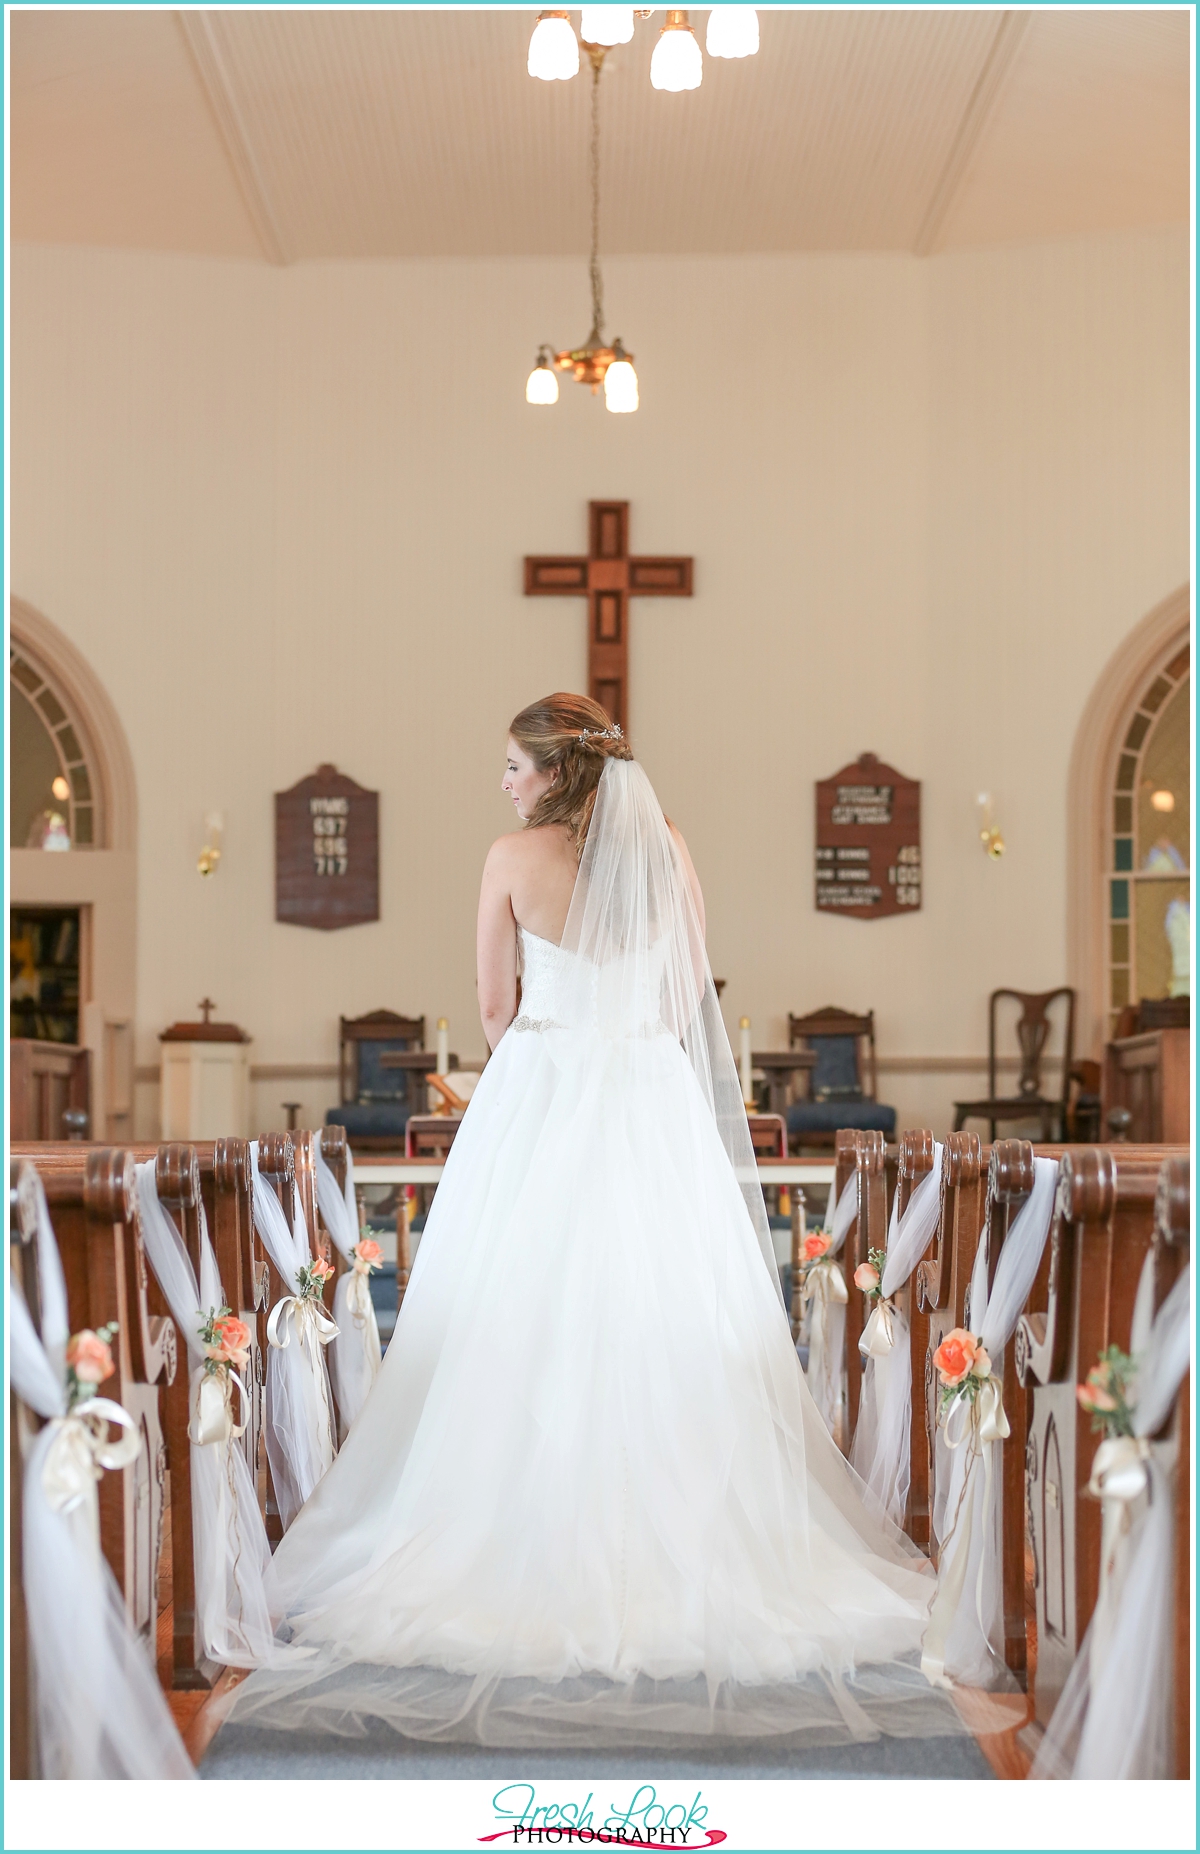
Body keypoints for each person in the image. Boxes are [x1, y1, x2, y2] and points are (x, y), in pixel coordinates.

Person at [227, 693, 959, 1748]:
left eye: (516, 766)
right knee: (660, 1302)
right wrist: (626, 1045)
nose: (506, 782)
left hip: (542, 1088)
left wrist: (555, 1049)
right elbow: (685, 991)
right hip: (649, 1094)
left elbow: (492, 1007)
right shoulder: (666, 846)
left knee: (520, 1308)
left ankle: (509, 1545)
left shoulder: (508, 861)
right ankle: (690, 1552)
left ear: (556, 772)